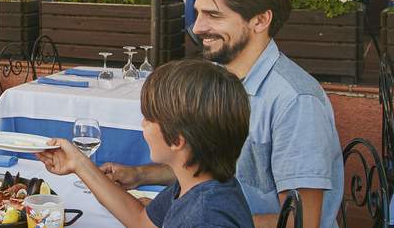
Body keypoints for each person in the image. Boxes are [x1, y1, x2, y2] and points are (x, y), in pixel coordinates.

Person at [98, 0, 343, 228]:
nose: (198, 27)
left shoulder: (295, 101)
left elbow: (303, 222)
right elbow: (211, 168)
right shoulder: (223, 77)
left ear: (260, 20)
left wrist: (196, 219)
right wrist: (141, 174)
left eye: (213, 15)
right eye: (199, 12)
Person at [37, 59, 253, 227]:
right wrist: (79, 164)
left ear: (177, 140)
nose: (142, 124)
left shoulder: (207, 217)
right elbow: (141, 221)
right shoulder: (195, 184)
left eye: (149, 118)